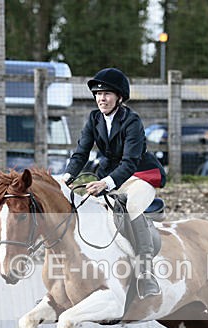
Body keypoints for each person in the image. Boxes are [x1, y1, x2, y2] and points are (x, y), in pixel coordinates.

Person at [60, 67, 166, 299]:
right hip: (110, 174)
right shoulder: (93, 118)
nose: (101, 99)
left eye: (107, 94)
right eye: (98, 94)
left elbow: (129, 162)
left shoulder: (132, 121)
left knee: (130, 208)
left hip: (139, 175)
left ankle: (147, 274)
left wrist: (105, 184)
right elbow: (81, 153)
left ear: (119, 97)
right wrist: (65, 179)